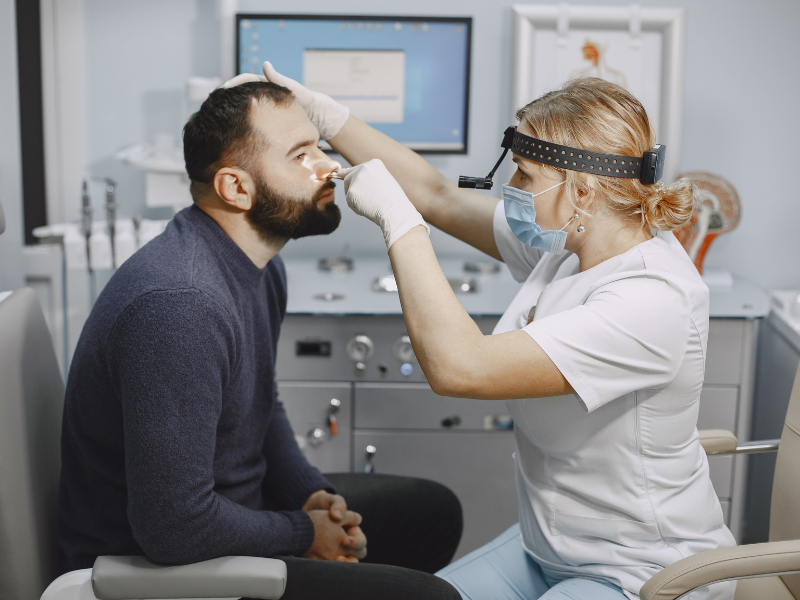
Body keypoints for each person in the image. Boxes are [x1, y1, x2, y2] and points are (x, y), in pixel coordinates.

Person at [252, 63, 737, 600]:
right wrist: (327, 116)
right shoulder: (573, 246)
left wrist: (396, 221)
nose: (511, 186)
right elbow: (435, 194)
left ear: (583, 191)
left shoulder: (649, 301)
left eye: (525, 174)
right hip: (549, 548)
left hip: (642, 570)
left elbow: (460, 367)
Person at [58, 81, 462, 600]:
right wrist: (302, 533)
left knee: (432, 514)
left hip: (232, 512)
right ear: (236, 188)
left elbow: (260, 405)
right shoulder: (181, 305)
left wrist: (310, 495)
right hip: (155, 572)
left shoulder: (258, 266)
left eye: (318, 145)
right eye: (300, 155)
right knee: (436, 598)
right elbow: (172, 527)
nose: (330, 167)